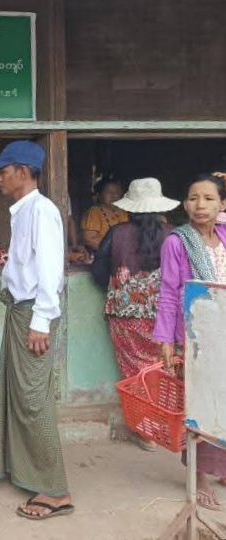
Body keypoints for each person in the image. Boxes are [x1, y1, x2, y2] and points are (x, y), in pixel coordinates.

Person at [0, 140, 73, 520]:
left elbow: (51, 271)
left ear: (23, 172)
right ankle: (24, 468)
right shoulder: (23, 211)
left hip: (34, 314)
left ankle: (55, 491)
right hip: (22, 311)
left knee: (33, 398)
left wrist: (41, 322)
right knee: (18, 393)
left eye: (3, 171)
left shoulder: (42, 211)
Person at [155, 173, 226, 510]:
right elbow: (169, 291)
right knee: (199, 405)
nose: (200, 205)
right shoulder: (177, 242)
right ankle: (198, 474)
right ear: (184, 204)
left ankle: (222, 469)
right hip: (195, 335)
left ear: (222, 205)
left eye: (209, 198)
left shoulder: (224, 235)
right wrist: (165, 339)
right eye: (194, 198)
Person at [91, 178, 178, 451]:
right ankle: (165, 425)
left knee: (135, 372)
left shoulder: (116, 233)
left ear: (129, 207)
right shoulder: (175, 235)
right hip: (165, 316)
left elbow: (98, 273)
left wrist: (123, 285)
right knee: (164, 370)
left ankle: (146, 432)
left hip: (126, 316)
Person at [81, 178, 129, 253]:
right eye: (109, 192)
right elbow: (89, 239)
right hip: (103, 255)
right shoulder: (94, 212)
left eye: (117, 192)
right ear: (99, 195)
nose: (113, 195)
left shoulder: (123, 212)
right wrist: (113, 250)